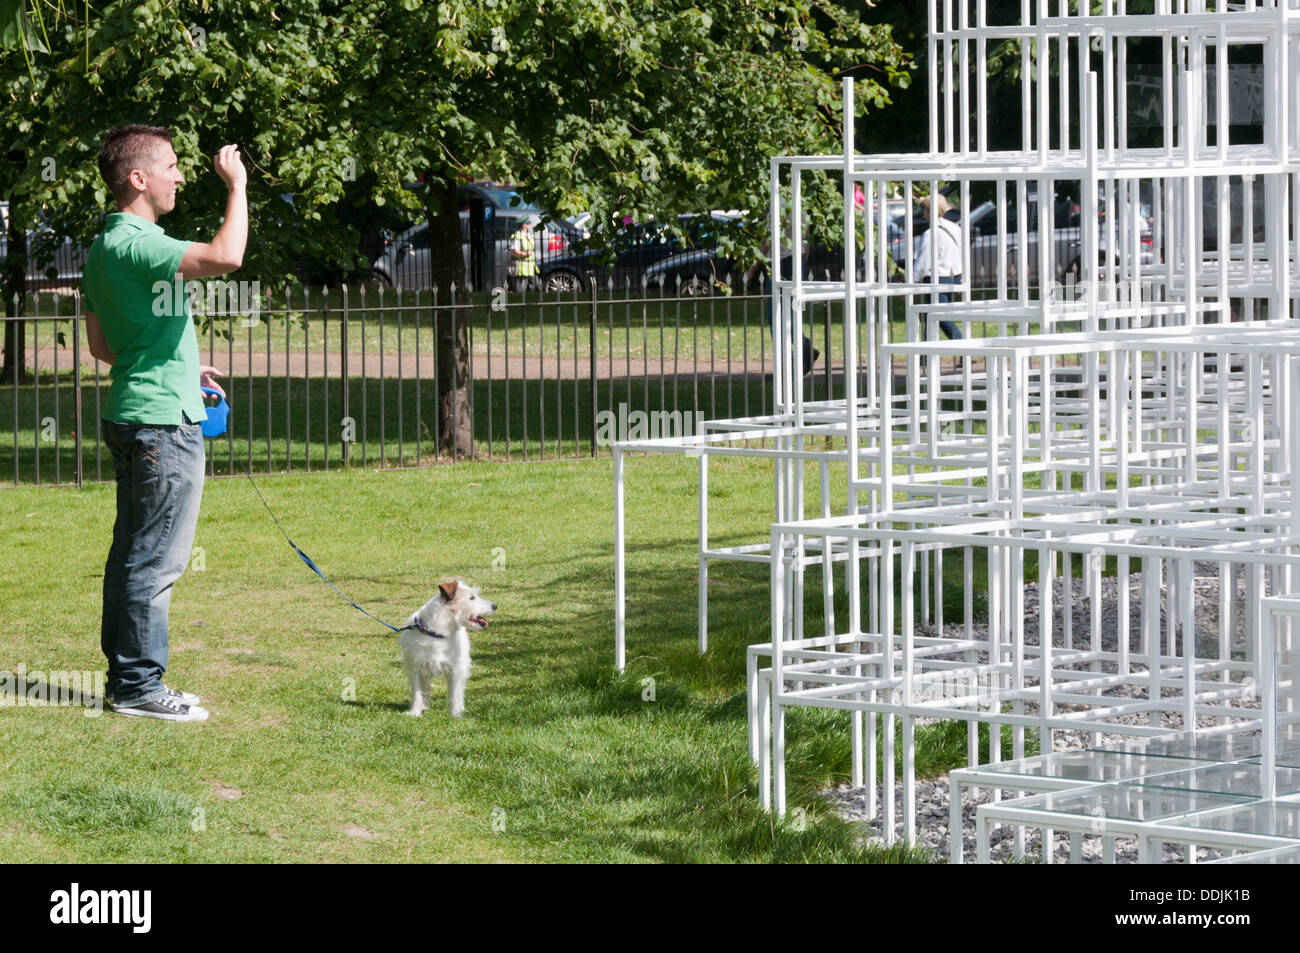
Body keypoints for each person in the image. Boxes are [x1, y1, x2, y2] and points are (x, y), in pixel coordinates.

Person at [82, 126, 247, 722]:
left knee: (132, 553)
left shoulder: (104, 246)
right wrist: (239, 184)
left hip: (133, 412)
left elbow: (105, 346)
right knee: (156, 560)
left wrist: (180, 365)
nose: (181, 175)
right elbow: (228, 257)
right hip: (160, 427)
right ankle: (138, 689)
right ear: (139, 178)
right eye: (173, 166)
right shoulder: (142, 242)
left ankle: (127, 680)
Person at [913, 192, 964, 341]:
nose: (923, 212)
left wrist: (912, 282)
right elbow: (961, 253)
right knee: (932, 316)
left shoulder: (930, 234)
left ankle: (964, 347)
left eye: (925, 209)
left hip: (937, 279)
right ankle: (925, 356)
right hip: (954, 276)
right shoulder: (955, 228)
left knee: (940, 317)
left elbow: (922, 262)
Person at [510, 215, 540, 290]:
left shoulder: (530, 235)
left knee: (533, 286)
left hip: (531, 265)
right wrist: (526, 254)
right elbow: (514, 251)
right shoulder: (517, 236)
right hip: (522, 267)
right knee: (521, 288)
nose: (530, 224)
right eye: (528, 223)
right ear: (523, 225)